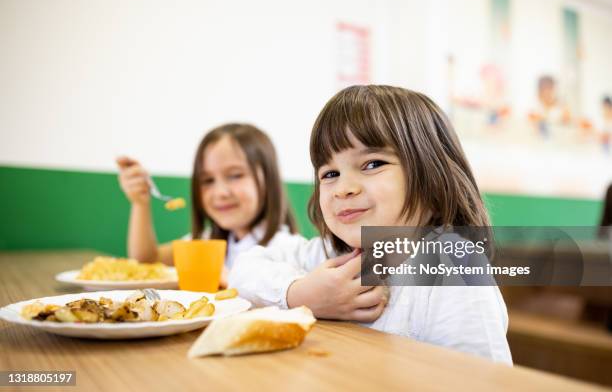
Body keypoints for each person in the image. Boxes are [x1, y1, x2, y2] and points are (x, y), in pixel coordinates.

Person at [230, 85, 512, 363]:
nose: (343, 188)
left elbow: (483, 380)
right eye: (330, 173)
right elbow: (244, 268)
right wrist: (300, 294)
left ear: (434, 177)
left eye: (373, 164)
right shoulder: (330, 255)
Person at [117, 123, 299, 286]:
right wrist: (140, 204)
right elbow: (147, 260)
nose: (220, 192)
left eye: (235, 175)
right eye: (208, 180)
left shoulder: (290, 251)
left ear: (268, 179)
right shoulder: (206, 241)